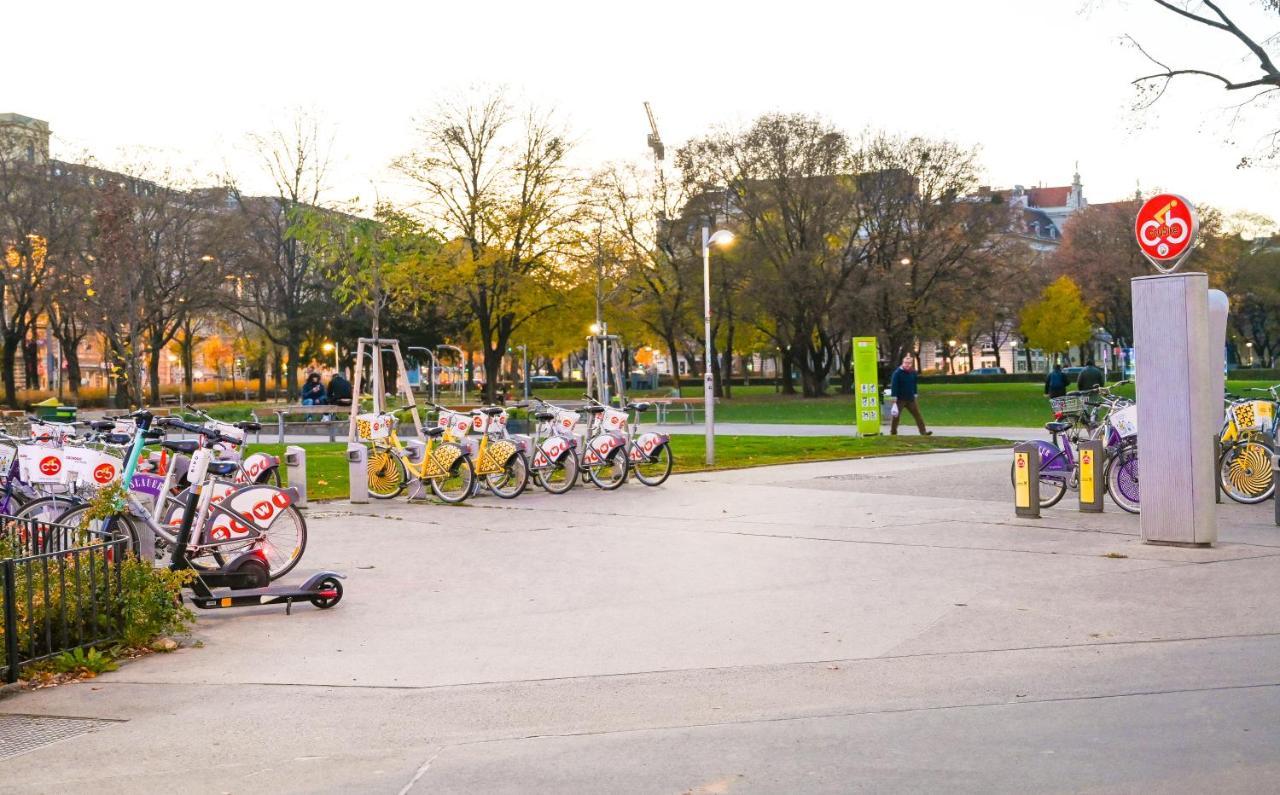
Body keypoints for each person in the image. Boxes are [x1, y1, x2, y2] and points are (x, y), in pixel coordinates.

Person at [889, 354, 932, 436]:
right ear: (903, 363)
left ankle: (923, 432)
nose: (907, 365)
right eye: (905, 363)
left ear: (911, 363)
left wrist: (915, 393)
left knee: (917, 415)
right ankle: (893, 432)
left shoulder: (913, 373)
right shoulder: (897, 373)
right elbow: (894, 385)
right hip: (900, 399)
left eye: (909, 363)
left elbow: (914, 384)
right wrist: (894, 397)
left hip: (910, 399)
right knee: (896, 417)